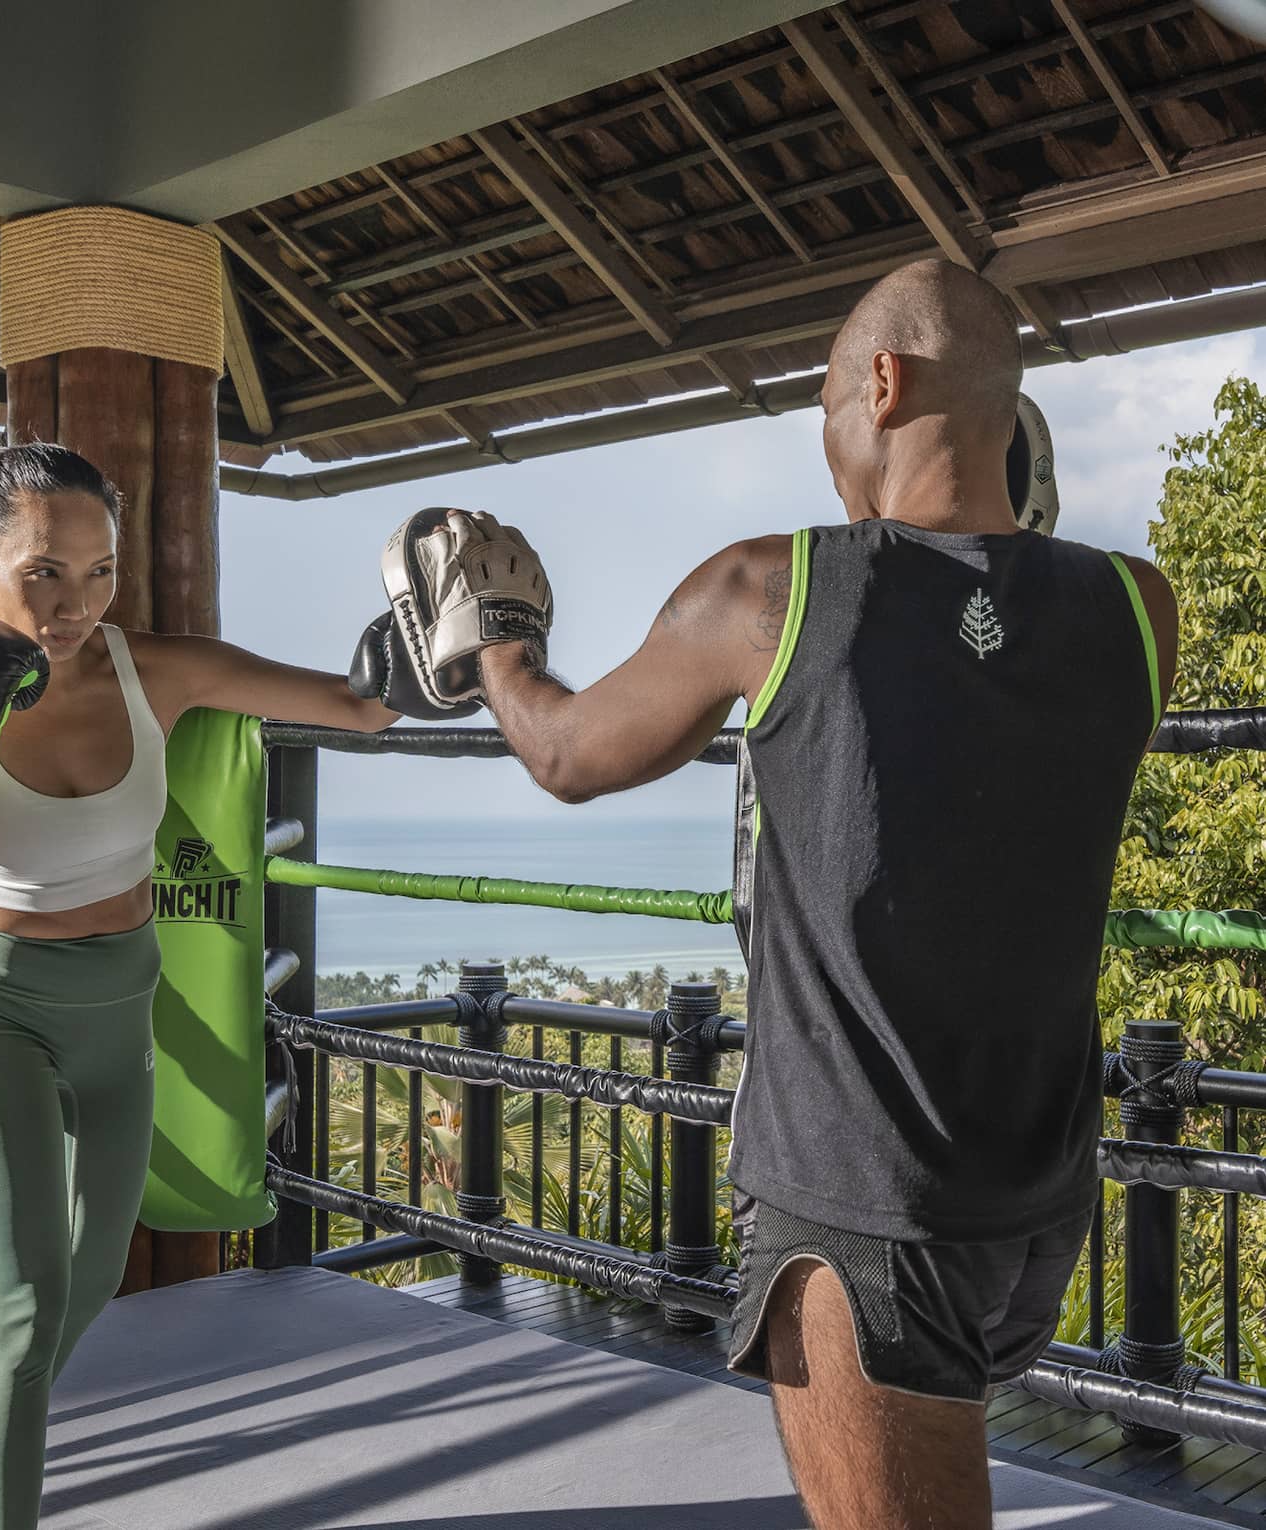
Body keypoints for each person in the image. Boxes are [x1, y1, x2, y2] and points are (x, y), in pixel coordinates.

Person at [401, 260, 1179, 1529]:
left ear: (880, 382)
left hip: (856, 1205)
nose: (827, 440)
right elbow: (985, 679)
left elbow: (564, 753)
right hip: (1037, 1201)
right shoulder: (1139, 608)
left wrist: (498, 647)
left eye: (825, 400)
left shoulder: (769, 590)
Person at [0, 442, 409, 1530]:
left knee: (89, 1280)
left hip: (123, 1002)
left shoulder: (154, 668)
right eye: (44, 572)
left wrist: (436, 639)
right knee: (22, 1314)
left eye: (100, 570)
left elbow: (362, 709)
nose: (76, 604)